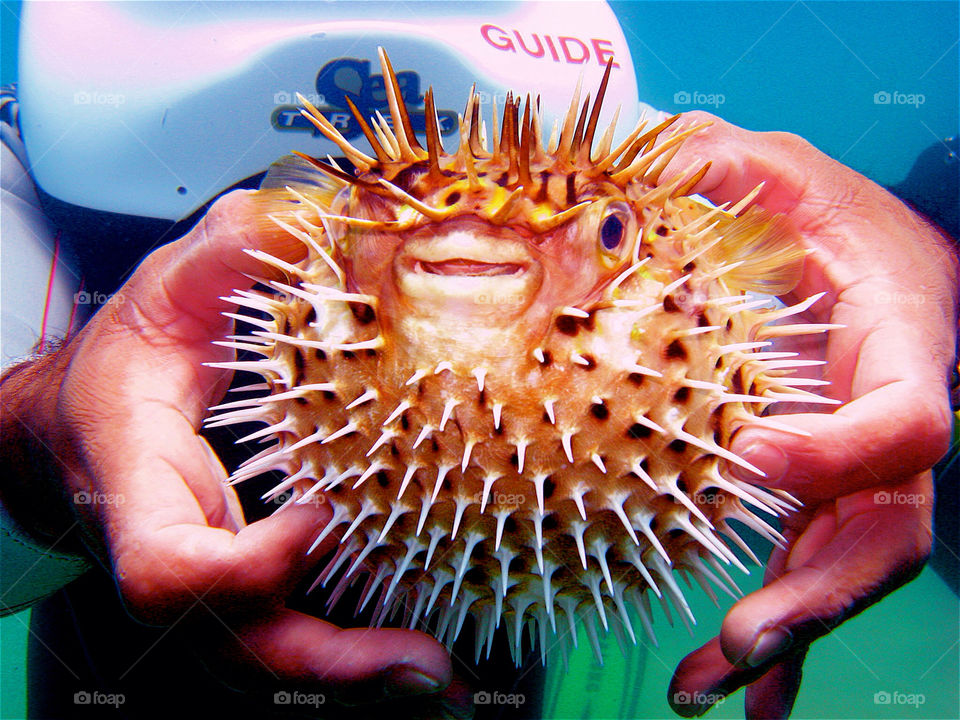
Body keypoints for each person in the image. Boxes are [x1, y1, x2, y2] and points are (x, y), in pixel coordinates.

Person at [2, 5, 957, 720]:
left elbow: (798, 296)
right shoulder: (39, 188)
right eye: (366, 234)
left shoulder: (677, 208)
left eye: (607, 234)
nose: (465, 262)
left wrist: (937, 266)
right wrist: (36, 436)